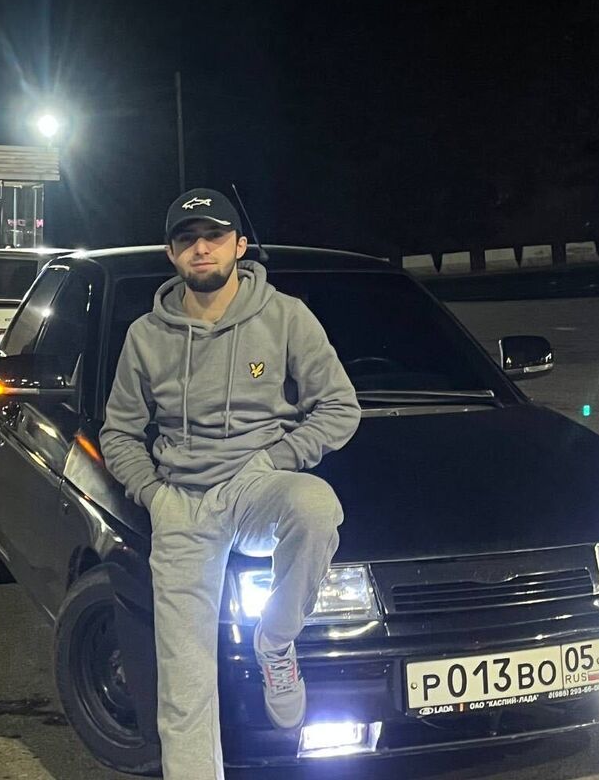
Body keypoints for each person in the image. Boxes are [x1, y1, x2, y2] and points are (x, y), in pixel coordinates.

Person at [100, 188, 361, 780]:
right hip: (181, 504)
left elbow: (339, 407)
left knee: (316, 504)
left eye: (214, 236)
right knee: (184, 681)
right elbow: (119, 433)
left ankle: (276, 640)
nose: (201, 248)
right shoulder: (146, 335)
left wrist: (276, 459)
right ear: (171, 253)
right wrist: (154, 495)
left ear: (239, 246)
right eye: (187, 239)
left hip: (253, 487)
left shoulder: (285, 316)